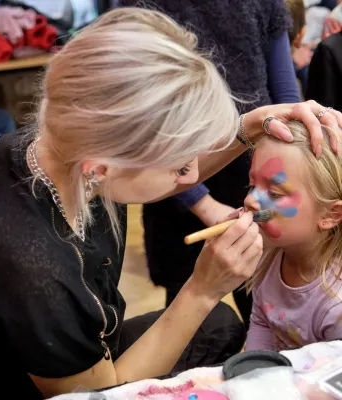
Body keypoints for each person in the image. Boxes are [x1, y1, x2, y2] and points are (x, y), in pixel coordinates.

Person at [0, 7, 340, 399]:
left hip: (81, 342)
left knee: (219, 326)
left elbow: (159, 170)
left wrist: (250, 125)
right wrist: (202, 289)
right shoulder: (34, 273)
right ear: (102, 168)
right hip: (48, 387)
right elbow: (95, 394)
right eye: (178, 165)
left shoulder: (60, 144)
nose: (191, 177)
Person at [118, 0, 301, 326]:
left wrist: (293, 164)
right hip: (170, 178)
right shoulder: (145, 8)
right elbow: (152, 123)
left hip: (254, 167)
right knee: (188, 313)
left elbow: (284, 93)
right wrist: (201, 202)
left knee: (263, 299)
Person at [244, 120, 342, 350]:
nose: (249, 200)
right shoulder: (265, 257)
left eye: (275, 193)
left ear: (330, 214)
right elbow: (262, 322)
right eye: (251, 185)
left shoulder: (336, 306)